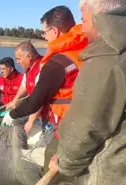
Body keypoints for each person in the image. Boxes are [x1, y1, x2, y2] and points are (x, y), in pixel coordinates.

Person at [1, 5, 88, 183]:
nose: (44, 36)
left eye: (44, 32)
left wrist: (12, 114)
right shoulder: (87, 50)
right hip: (87, 119)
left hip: (70, 125)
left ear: (54, 31)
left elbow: (35, 101)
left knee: (52, 161)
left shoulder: (57, 63)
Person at [48, 2, 126, 185]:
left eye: (84, 20)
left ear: (100, 18)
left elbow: (86, 126)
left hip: (113, 172)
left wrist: (64, 161)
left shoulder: (106, 58)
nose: (82, 28)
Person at [6, 41, 46, 134]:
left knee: (17, 126)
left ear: (29, 56)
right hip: (34, 109)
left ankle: (23, 147)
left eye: (18, 59)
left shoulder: (42, 68)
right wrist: (15, 100)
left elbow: (40, 98)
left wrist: (30, 121)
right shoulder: (29, 67)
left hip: (45, 113)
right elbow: (24, 84)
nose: (17, 62)